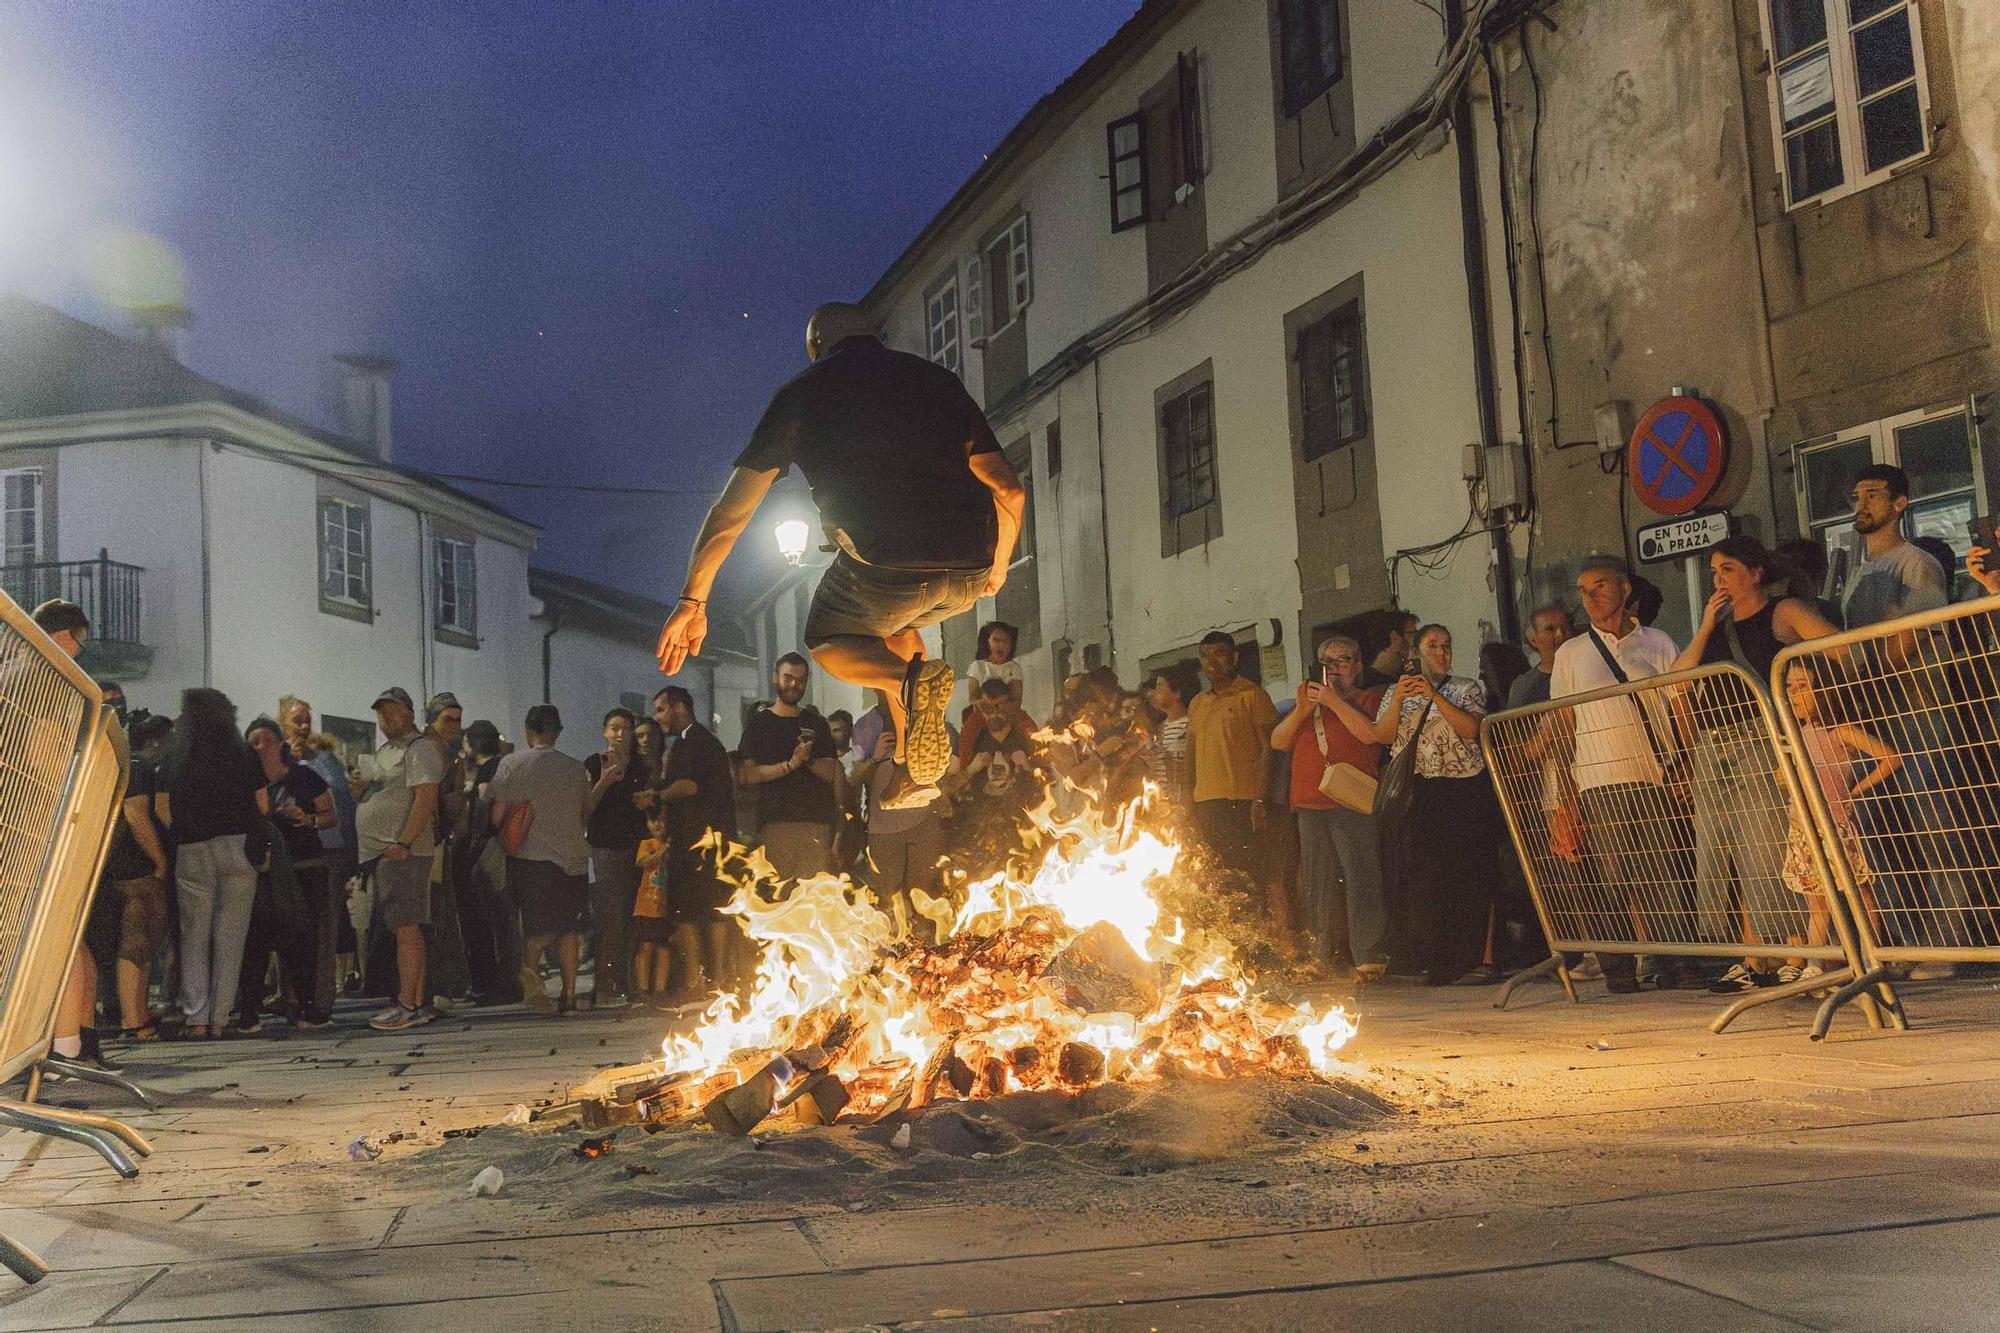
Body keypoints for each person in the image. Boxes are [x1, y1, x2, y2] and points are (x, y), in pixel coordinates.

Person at [655, 302, 1025, 808]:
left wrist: (693, 602)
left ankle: (909, 683)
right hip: (970, 568)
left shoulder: (804, 394)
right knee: (891, 632)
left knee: (829, 639)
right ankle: (912, 768)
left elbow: (732, 511)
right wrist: (999, 565)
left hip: (884, 569)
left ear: (815, 349)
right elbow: (1010, 490)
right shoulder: (938, 380)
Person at [1670, 536, 1840, 993]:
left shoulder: (1782, 611)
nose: (1718, 580)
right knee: (1731, 849)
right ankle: (1753, 957)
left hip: (1761, 737)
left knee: (1770, 844)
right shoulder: (1718, 625)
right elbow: (1679, 682)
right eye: (1713, 572)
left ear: (1755, 572)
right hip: (1715, 743)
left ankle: (1796, 953)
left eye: (1727, 569)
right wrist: (1706, 625)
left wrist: (1802, 697)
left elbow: (1839, 649)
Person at [1324, 625, 1497, 984]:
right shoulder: (1396, 691)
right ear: (1416, 653)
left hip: (1461, 787)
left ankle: (1469, 959)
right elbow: (1384, 735)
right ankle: (1430, 958)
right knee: (1423, 875)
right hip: (1418, 788)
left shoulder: (1465, 687)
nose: (1441, 653)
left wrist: (1434, 695)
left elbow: (1472, 730)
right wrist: (1401, 698)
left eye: (1446, 646)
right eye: (1432, 646)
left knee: (1465, 873)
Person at [1546, 557, 1682, 992]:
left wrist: (1685, 763)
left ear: (1624, 590)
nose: (1590, 597)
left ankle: (1673, 962)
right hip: (1597, 778)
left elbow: (1680, 707)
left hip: (1653, 774)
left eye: (1600, 586)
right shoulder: (1571, 654)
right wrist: (1566, 795)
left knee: (1664, 872)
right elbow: (1562, 726)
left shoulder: (1658, 642)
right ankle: (1619, 971)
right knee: (1611, 878)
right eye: (1583, 590)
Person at [30, 601, 115, 1065]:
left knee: (57, 938)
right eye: (80, 642)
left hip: (41, 825)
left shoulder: (38, 679)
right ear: (65, 637)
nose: (80, 652)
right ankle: (76, 1045)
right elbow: (46, 753)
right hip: (51, 823)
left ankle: (67, 1049)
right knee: (66, 936)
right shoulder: (51, 682)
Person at [1271, 634, 1386, 978]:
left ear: (1358, 665)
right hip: (1309, 801)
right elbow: (1279, 741)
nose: (1334, 668)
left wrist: (1333, 701)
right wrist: (1303, 710)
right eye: (1326, 662)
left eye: (1343, 660)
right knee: (1318, 884)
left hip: (1351, 799)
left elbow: (1370, 734)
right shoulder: (1306, 703)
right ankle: (1321, 955)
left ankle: (1368, 955)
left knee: (1360, 877)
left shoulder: (1370, 698)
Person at [1779, 656, 1898, 984]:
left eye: (1803, 686)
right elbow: (1783, 776)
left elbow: (1889, 757)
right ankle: (1814, 964)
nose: (1795, 695)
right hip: (1803, 828)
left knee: (1860, 892)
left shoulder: (1840, 732)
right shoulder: (1796, 733)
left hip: (1834, 824)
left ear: (1824, 690)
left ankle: (1872, 958)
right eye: (1789, 688)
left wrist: (1856, 790)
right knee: (1817, 902)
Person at [156, 687, 264, 1040]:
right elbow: (262, 805)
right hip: (238, 846)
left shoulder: (176, 754)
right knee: (231, 937)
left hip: (192, 848)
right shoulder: (243, 753)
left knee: (194, 934)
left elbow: (161, 806)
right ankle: (220, 1017)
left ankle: (196, 1017)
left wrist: (182, 830)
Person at [354, 686, 447, 1032]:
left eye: (394, 711)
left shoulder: (418, 748)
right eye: (382, 712)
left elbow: (425, 797)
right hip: (387, 851)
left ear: (408, 713)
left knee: (405, 927)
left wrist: (404, 842)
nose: (388, 718)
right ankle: (416, 1003)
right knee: (406, 926)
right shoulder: (387, 751)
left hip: (402, 851)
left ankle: (406, 1004)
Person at [488, 704, 592, 1014]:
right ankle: (569, 994)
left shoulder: (512, 764)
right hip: (573, 860)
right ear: (557, 732)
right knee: (569, 929)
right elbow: (585, 812)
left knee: (535, 933)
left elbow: (496, 814)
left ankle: (535, 994)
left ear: (528, 730)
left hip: (532, 860)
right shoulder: (576, 768)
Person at [237, 717, 335, 1031]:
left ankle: (307, 1003)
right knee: (259, 938)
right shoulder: (246, 780)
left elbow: (329, 815)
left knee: (303, 936)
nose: (260, 747)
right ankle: (254, 1008)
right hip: (266, 869)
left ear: (280, 743)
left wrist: (308, 820)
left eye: (266, 740)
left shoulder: (303, 776)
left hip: (303, 864)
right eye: (253, 742)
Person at [653, 685, 743, 993]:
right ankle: (715, 979)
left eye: (661, 709)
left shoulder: (693, 742)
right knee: (710, 910)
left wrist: (657, 795)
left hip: (698, 842)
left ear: (679, 707)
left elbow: (689, 786)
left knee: (693, 912)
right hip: (709, 841)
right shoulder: (700, 741)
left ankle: (698, 980)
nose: (657, 717)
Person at [279, 695, 357, 1011]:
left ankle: (320, 998)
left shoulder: (325, 758)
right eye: (297, 720)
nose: (304, 726)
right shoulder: (279, 760)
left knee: (325, 927)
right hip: (293, 852)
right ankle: (289, 994)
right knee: (290, 924)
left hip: (329, 849)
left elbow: (340, 805)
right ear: (282, 722)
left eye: (307, 719)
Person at [98, 712, 173, 1038]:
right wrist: (159, 859)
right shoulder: (137, 769)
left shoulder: (114, 768)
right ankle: (133, 1018)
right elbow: (136, 814)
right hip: (134, 866)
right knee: (138, 936)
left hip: (118, 864)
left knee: (141, 939)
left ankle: (138, 1012)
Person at [736, 654, 840, 879]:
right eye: (788, 677)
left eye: (800, 680)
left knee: (816, 894)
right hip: (776, 823)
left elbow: (831, 773)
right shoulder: (760, 724)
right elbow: (748, 774)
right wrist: (789, 765)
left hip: (816, 823)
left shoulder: (816, 723)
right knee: (779, 893)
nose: (794, 684)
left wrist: (808, 759)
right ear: (775, 678)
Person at [1187, 632, 1276, 882]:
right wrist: (1187, 797)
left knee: (1246, 873)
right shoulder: (1197, 703)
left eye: (1219, 654)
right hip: (1206, 802)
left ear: (1234, 657)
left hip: (1241, 800)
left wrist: (1261, 799)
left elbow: (1269, 748)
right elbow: (1190, 753)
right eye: (1205, 656)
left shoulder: (1253, 695)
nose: (1211, 662)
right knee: (1215, 875)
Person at [583, 706, 646, 1008]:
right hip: (606, 847)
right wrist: (605, 781)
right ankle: (604, 985)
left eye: (626, 728)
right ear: (604, 731)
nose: (620, 734)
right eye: (614, 728)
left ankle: (627, 983)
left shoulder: (641, 767)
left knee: (632, 917)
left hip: (638, 847)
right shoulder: (595, 763)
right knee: (609, 916)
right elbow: (586, 806)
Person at [421, 693, 475, 1011]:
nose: (454, 725)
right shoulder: (429, 751)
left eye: (457, 719)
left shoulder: (450, 756)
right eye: (448, 719)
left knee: (438, 913)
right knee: (432, 913)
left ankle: (438, 984)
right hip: (425, 841)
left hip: (437, 841)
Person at [1845, 464, 1948, 628]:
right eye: (1856, 497)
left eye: (1871, 496)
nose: (1861, 506)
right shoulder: (1859, 569)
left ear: (1899, 503)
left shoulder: (1916, 563)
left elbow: (1920, 633)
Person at [632, 807, 674, 1006]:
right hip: (646, 906)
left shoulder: (675, 845)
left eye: (662, 820)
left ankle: (660, 989)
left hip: (666, 907)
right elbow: (644, 863)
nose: (657, 824)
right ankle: (642, 989)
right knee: (645, 947)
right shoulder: (647, 843)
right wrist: (664, 850)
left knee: (664, 949)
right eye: (653, 820)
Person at [1142, 662, 1198, 814]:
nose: (1154, 693)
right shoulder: (1160, 728)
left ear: (1177, 693)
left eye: (1160, 686)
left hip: (1185, 806)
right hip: (1163, 807)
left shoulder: (1191, 724)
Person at [1509, 605, 1572, 710]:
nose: (1560, 634)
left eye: (1566, 627)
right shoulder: (1524, 686)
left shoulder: (1590, 667)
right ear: (1533, 639)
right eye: (1550, 629)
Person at [1361, 610, 1418, 690]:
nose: (1417, 638)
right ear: (1394, 637)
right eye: (1411, 633)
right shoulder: (1373, 684)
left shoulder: (1399, 675)